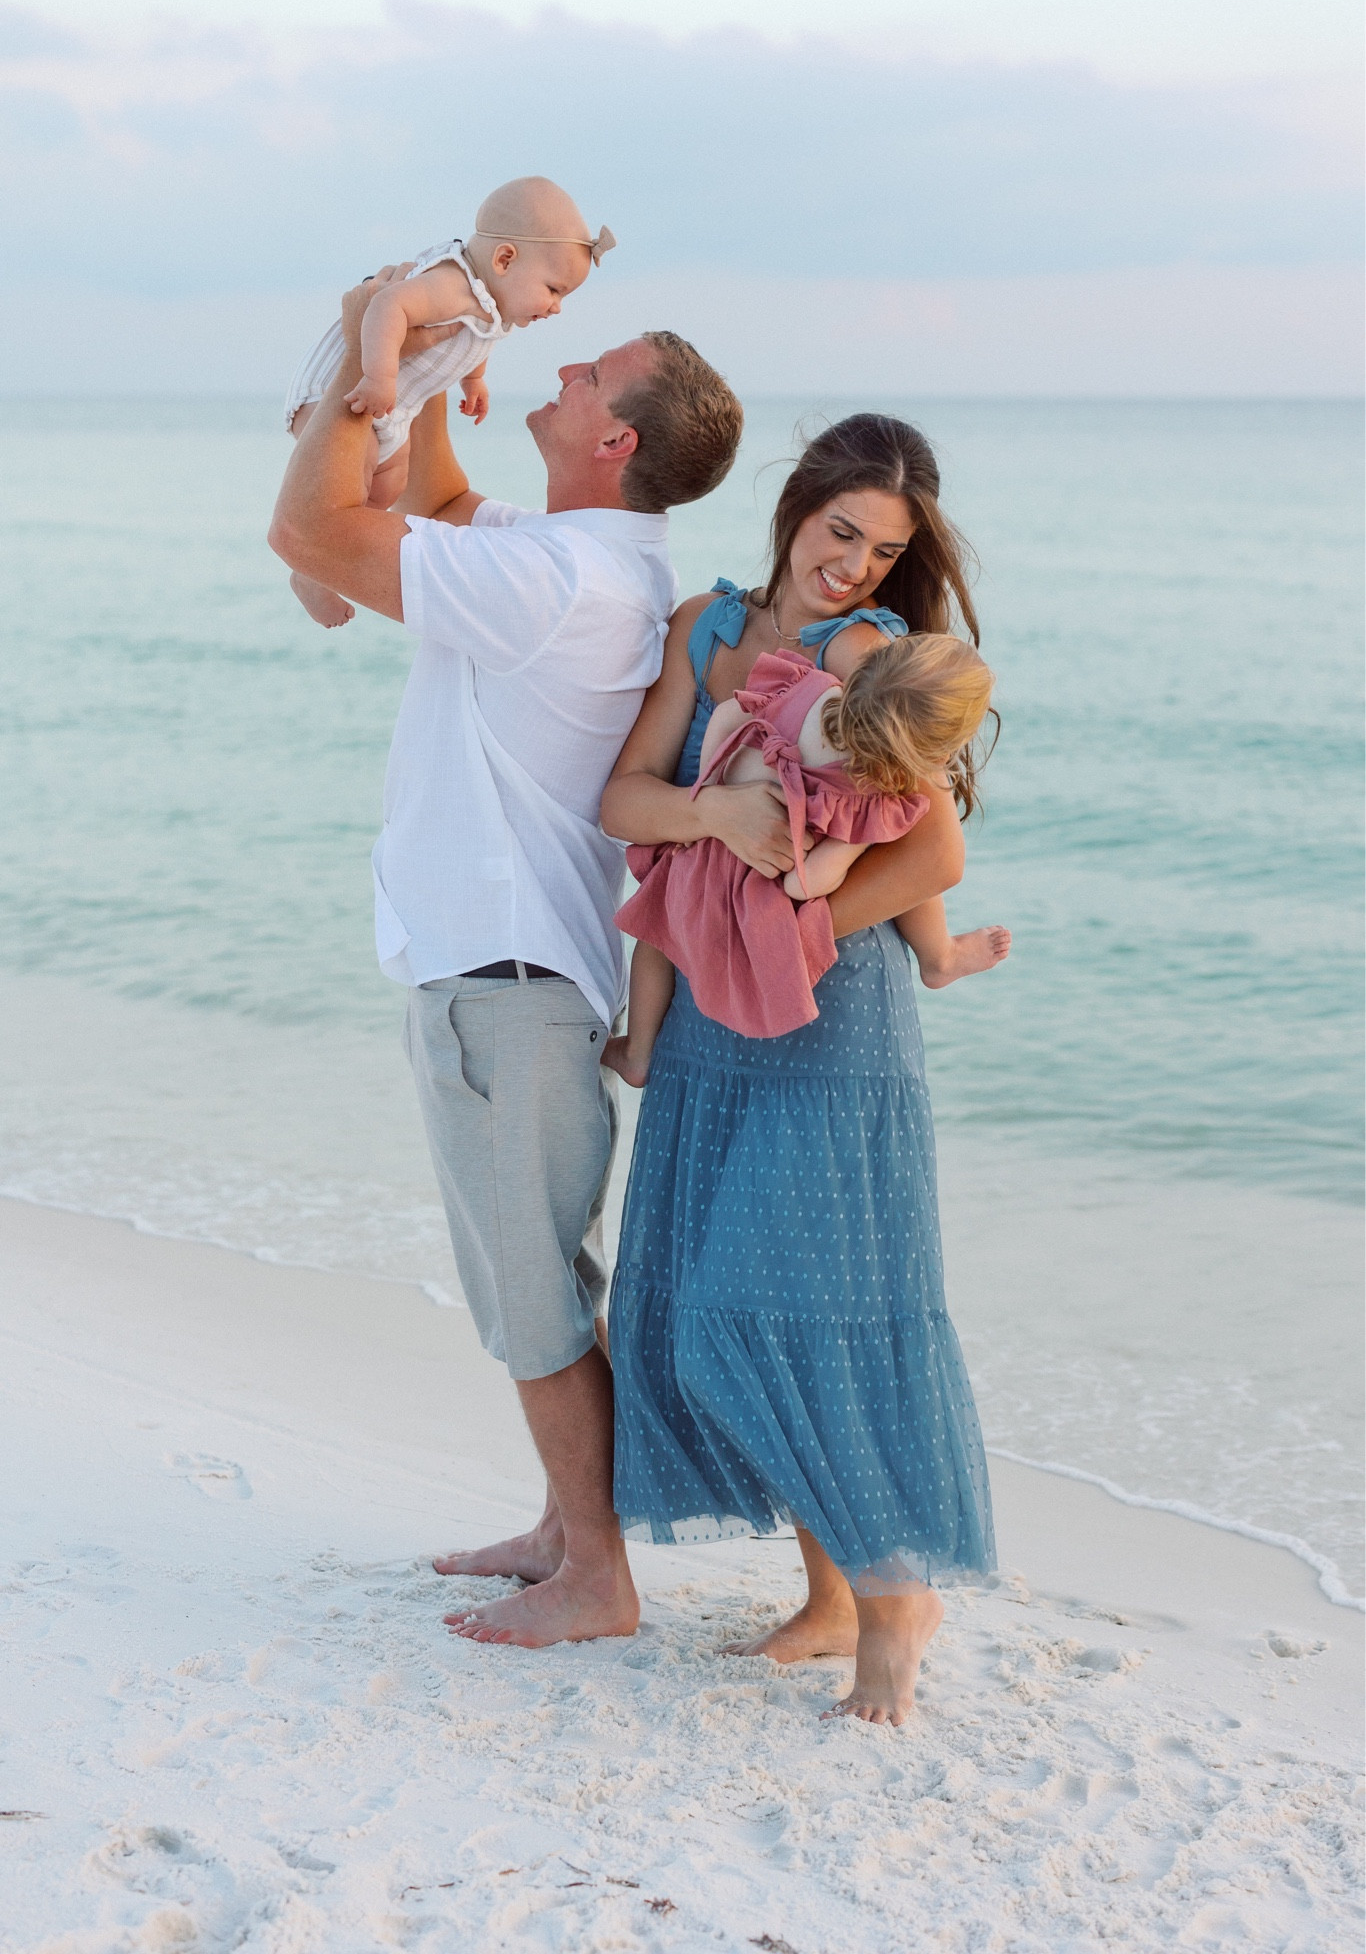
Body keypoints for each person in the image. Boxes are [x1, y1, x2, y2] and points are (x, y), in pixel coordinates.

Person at [269, 277, 742, 1649]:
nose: (567, 367)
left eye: (592, 372)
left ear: (616, 442)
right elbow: (450, 512)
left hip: (507, 980)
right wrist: (434, 373)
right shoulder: (584, 559)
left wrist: (367, 381)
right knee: (535, 1276)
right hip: (514, 975)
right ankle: (563, 1526)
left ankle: (596, 1573)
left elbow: (312, 527)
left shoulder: (557, 581)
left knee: (528, 1293)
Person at [599, 413, 998, 1726]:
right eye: (841, 533)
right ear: (796, 506)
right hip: (715, 1011)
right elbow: (626, 803)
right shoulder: (707, 631)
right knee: (729, 1302)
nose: (853, 567)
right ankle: (828, 1600)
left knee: (787, 1305)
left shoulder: (869, 658)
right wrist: (713, 818)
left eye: (882, 551)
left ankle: (894, 1602)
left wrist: (798, 926)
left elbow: (932, 860)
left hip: (830, 1022)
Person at [604, 631, 1005, 1080]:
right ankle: (941, 956)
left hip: (697, 858)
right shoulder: (866, 796)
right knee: (908, 852)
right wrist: (866, 840)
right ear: (935, 752)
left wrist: (710, 792)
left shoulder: (809, 688)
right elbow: (802, 884)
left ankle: (638, 1052)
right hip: (743, 893)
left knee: (657, 937)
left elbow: (727, 713)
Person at [283, 176, 613, 629]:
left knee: (390, 486)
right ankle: (311, 571)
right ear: (504, 258)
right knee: (347, 490)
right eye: (554, 290)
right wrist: (376, 374)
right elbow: (384, 308)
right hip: (344, 388)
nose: (556, 307)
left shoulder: (496, 303)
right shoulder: (452, 284)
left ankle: (325, 561)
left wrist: (473, 379)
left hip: (395, 407)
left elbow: (479, 340)